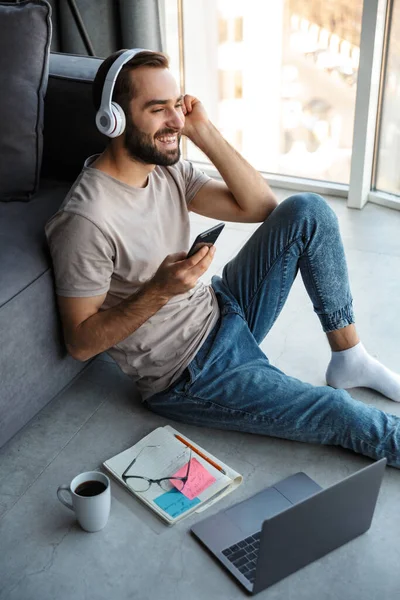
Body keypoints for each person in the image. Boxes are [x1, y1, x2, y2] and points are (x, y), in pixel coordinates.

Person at [45, 49, 400, 469]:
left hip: (223, 309)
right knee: (338, 412)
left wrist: (204, 131)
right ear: (114, 120)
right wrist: (159, 291)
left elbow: (261, 206)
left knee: (308, 210)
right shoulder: (86, 219)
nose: (175, 121)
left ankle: (349, 357)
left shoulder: (164, 167)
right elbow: (81, 343)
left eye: (176, 105)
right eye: (158, 110)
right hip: (189, 373)